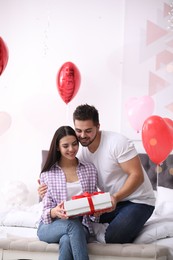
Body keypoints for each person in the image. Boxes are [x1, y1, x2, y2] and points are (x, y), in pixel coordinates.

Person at [38, 104, 155, 244]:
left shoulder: (117, 143)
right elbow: (69, 181)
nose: (82, 136)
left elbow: (137, 175)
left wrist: (115, 198)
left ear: (98, 127)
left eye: (88, 131)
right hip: (111, 203)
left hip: (138, 201)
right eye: (78, 131)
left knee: (113, 237)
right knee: (82, 220)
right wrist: (45, 189)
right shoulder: (80, 153)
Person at [37, 125, 99, 260]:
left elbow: (92, 204)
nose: (71, 149)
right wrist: (55, 211)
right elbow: (46, 211)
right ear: (58, 147)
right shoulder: (48, 174)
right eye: (66, 146)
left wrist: (96, 210)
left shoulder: (89, 169)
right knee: (72, 226)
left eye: (74, 144)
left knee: (66, 240)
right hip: (50, 226)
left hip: (82, 225)